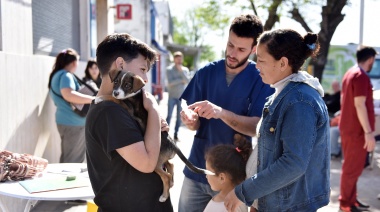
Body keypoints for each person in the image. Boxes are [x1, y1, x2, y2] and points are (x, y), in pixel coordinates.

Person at [224, 29, 330, 211]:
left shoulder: (299, 102)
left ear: (283, 63)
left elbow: (293, 163)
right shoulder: (283, 94)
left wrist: (244, 192)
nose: (256, 66)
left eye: (262, 61)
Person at [178, 14, 274, 212]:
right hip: (197, 168)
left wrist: (221, 112)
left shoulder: (260, 80)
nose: (232, 53)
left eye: (241, 49)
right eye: (230, 45)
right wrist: (190, 119)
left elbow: (257, 127)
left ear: (254, 49)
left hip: (233, 178)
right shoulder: (205, 73)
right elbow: (193, 118)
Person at [85, 33, 173, 211]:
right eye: (142, 69)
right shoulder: (109, 112)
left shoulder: (119, 107)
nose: (146, 79)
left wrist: (154, 124)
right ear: (120, 64)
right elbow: (148, 164)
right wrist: (154, 110)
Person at [338, 46, 378, 212]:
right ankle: (346, 203)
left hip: (350, 128)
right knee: (351, 169)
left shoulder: (350, 73)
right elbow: (359, 104)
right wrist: (369, 133)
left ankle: (351, 200)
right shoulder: (360, 76)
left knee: (353, 167)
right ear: (370, 59)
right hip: (357, 131)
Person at [48, 48, 95, 163]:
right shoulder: (66, 75)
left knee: (66, 159)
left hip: (64, 121)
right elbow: (68, 94)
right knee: (73, 162)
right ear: (74, 62)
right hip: (74, 123)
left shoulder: (56, 75)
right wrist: (93, 99)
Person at [203, 134, 252, 212]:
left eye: (208, 172)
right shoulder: (219, 200)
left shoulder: (231, 208)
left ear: (222, 178)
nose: (206, 176)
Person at [166, 51, 190, 140]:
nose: (179, 60)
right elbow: (170, 83)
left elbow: (187, 81)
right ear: (174, 59)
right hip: (172, 96)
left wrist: (181, 72)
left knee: (179, 117)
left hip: (181, 98)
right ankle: (165, 134)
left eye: (180, 59)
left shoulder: (185, 70)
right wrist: (180, 80)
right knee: (169, 116)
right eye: (177, 59)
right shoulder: (169, 69)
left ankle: (176, 134)